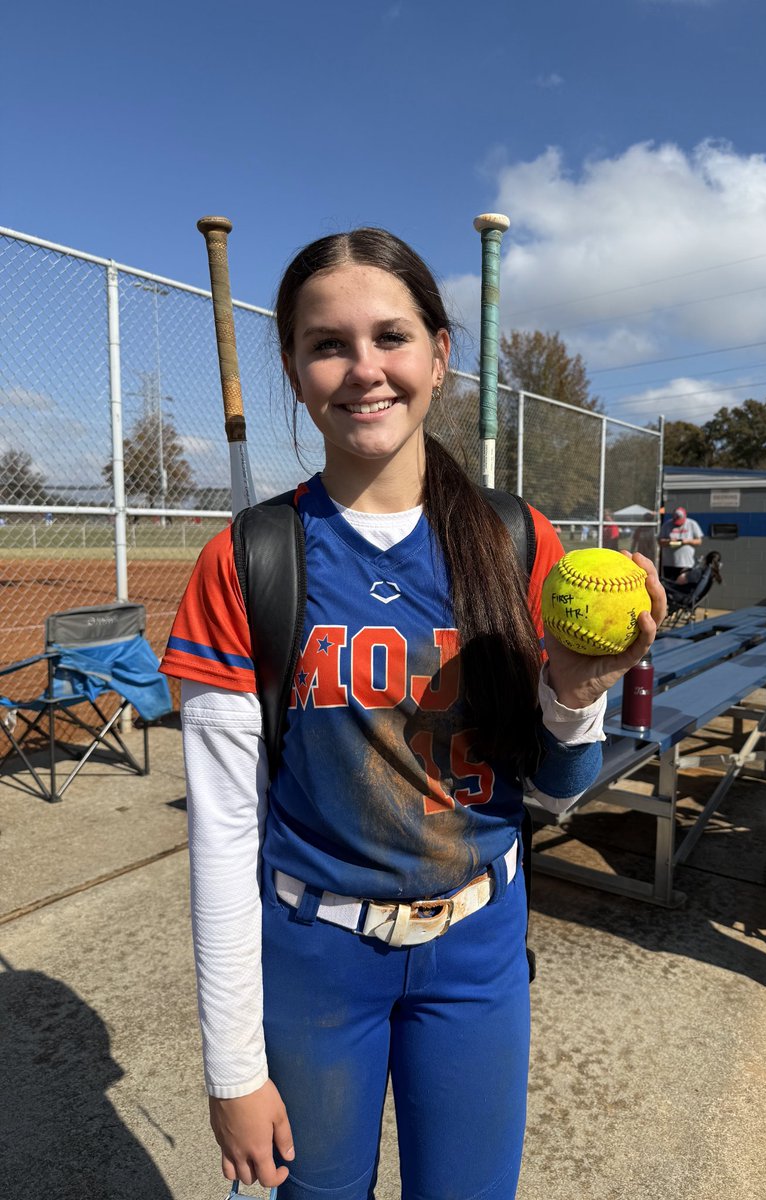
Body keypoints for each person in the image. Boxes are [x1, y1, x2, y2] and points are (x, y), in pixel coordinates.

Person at [160, 228, 666, 1200]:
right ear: (295, 369)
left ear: (440, 353)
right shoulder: (252, 559)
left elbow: (556, 789)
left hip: (478, 951)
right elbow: (224, 833)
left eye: (391, 336)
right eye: (327, 343)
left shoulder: (519, 542)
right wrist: (233, 1070)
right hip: (315, 956)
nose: (363, 369)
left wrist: (579, 685)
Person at [657, 505, 703, 581]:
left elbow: (699, 541)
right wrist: (669, 541)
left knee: (683, 586)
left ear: (685, 516)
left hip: (686, 563)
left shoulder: (692, 524)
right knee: (669, 585)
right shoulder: (667, 525)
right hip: (669, 564)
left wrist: (686, 541)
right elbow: (660, 541)